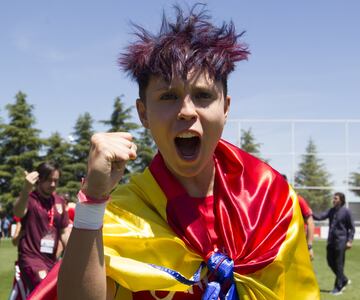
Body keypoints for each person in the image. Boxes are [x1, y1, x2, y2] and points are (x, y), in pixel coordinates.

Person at [58, 4, 319, 299]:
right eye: (168, 96)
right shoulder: (120, 215)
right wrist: (92, 201)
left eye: (203, 95)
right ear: (143, 113)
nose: (186, 111)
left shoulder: (272, 202)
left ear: (226, 108)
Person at [13, 162, 70, 295]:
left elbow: (63, 233)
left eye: (56, 180)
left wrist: (76, 254)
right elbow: (18, 213)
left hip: (50, 261)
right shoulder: (30, 199)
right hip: (31, 259)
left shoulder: (59, 202)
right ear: (40, 179)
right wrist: (26, 189)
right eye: (49, 180)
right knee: (44, 289)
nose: (53, 184)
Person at [313, 192, 355, 295]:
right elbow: (320, 217)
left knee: (339, 264)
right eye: (333, 198)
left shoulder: (346, 212)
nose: (333, 200)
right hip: (331, 241)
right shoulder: (331, 211)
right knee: (330, 262)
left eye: (335, 198)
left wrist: (349, 241)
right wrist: (309, 212)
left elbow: (352, 228)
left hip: (341, 242)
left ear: (341, 200)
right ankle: (344, 279)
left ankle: (338, 287)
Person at [282, 174, 315, 260]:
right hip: (281, 246)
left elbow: (310, 223)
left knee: (302, 271)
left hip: (298, 244)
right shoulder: (272, 201)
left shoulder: (297, 199)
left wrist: (309, 246)